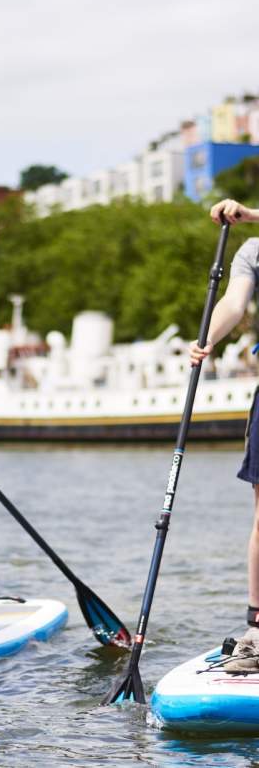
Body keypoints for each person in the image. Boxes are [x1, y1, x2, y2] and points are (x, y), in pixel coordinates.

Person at [190, 198, 259, 629]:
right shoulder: (251, 252)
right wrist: (208, 339)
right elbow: (234, 305)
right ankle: (258, 624)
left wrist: (250, 213)